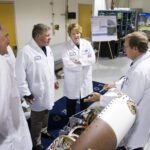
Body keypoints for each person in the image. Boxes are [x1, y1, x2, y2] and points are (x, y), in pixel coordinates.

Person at [84, 31, 150, 150]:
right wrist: (116, 84)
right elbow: (129, 80)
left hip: (137, 121)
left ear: (135, 48)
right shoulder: (144, 61)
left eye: (125, 46)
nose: (123, 49)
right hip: (144, 117)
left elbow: (128, 102)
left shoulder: (139, 70)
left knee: (132, 145)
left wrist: (101, 98)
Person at [15, 23, 59, 150]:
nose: (50, 38)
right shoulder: (25, 52)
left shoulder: (48, 49)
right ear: (38, 36)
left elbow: (50, 68)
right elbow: (19, 76)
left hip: (48, 89)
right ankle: (36, 142)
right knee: (36, 118)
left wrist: (54, 80)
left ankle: (44, 131)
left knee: (46, 111)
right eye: (47, 36)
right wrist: (26, 93)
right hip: (36, 92)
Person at [0, 24, 32, 149]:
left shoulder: (5, 56)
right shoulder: (1, 65)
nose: (9, 40)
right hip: (10, 137)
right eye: (6, 36)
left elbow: (15, 73)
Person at [62, 23, 96, 117]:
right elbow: (67, 63)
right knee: (71, 103)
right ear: (69, 35)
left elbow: (93, 60)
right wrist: (84, 63)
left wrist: (80, 61)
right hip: (72, 80)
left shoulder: (87, 43)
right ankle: (70, 121)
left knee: (85, 103)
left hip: (85, 78)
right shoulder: (66, 46)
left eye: (78, 33)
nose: (76, 35)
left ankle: (84, 120)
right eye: (73, 33)